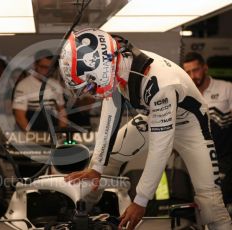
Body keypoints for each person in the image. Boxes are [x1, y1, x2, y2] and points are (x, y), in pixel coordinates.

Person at [59, 28, 232, 230]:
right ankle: (80, 216)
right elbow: (110, 113)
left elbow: (161, 149)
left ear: (99, 67)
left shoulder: (159, 83)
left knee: (210, 203)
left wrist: (141, 200)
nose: (90, 92)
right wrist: (95, 167)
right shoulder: (117, 63)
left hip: (191, 128)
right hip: (155, 117)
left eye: (89, 84)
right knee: (105, 163)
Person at [183, 52, 232, 211]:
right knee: (201, 204)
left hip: (224, 157)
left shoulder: (226, 88)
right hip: (198, 159)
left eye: (196, 70)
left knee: (220, 202)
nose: (192, 76)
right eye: (188, 72)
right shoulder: (186, 94)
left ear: (205, 68)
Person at [12, 49, 68, 131]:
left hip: (52, 130)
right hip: (31, 131)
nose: (47, 71)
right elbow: (19, 115)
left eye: (50, 68)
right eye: (43, 67)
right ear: (35, 65)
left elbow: (61, 111)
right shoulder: (23, 85)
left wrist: (62, 132)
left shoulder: (56, 84)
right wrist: (32, 136)